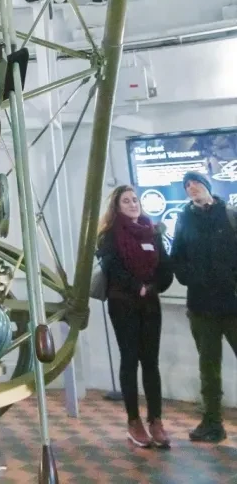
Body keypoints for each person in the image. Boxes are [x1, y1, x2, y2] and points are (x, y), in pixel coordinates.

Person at [96, 184, 173, 449]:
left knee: (151, 362)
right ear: (117, 207)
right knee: (130, 360)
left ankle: (156, 421)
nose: (132, 204)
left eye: (135, 200)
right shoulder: (109, 235)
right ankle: (134, 422)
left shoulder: (152, 232)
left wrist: (152, 287)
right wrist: (135, 286)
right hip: (123, 304)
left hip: (150, 304)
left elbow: (164, 268)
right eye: (126, 201)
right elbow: (111, 266)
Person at [171, 169, 237, 444]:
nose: (191, 188)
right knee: (208, 370)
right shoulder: (184, 220)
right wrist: (192, 277)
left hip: (234, 306)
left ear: (207, 186)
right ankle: (212, 424)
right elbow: (178, 259)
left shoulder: (230, 216)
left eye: (196, 183)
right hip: (201, 309)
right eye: (187, 186)